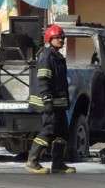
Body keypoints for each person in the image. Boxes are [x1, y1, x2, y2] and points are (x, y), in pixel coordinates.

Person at [27, 24, 76, 174]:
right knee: (48, 131)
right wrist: (47, 100)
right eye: (58, 37)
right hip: (48, 102)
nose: (61, 40)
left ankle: (58, 163)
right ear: (50, 39)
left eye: (62, 37)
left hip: (59, 103)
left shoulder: (58, 57)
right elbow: (43, 79)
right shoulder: (47, 56)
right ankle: (32, 161)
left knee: (62, 133)